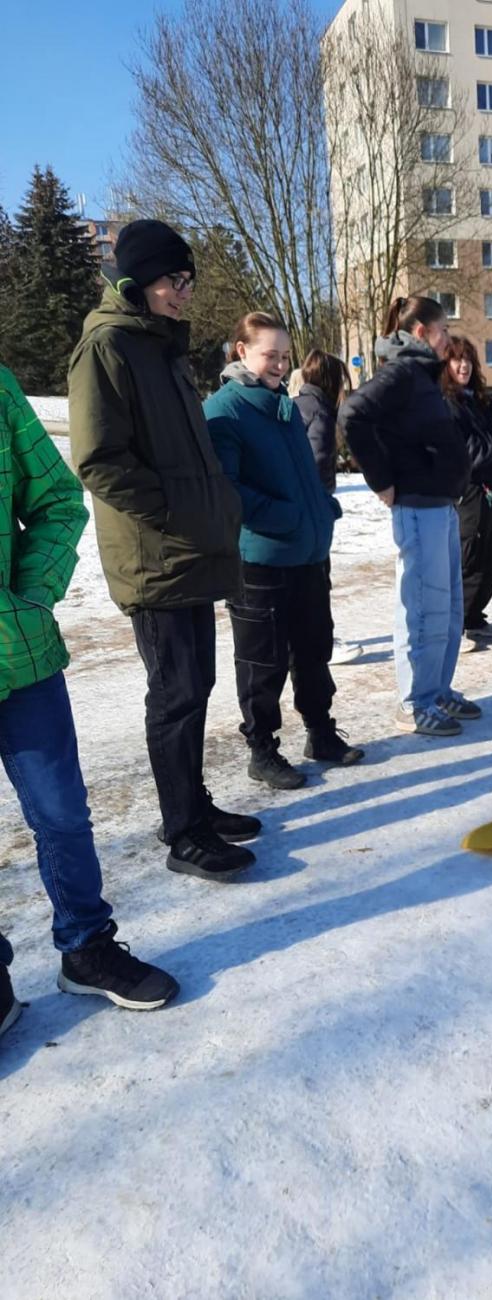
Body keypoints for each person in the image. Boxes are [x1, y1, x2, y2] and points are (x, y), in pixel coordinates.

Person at [68, 219, 259, 882]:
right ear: (137, 280)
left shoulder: (158, 347)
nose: (183, 292)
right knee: (175, 692)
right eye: (173, 280)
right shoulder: (108, 347)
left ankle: (194, 806)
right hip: (157, 556)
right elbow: (98, 459)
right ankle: (182, 832)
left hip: (188, 549)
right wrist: (174, 514)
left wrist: (213, 509)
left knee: (195, 685)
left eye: (187, 281)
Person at [0, 363, 178, 1039]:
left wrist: (29, 596)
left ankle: (86, 948)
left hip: (20, 653)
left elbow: (56, 499)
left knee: (63, 814)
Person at [204, 314, 362, 788]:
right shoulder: (223, 412)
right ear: (241, 351)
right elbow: (227, 493)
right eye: (269, 355)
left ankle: (320, 733)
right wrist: (291, 517)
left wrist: (320, 509)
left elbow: (304, 474)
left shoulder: (284, 406)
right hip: (260, 563)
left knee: (313, 650)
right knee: (263, 662)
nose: (279, 365)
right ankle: (263, 750)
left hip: (307, 555)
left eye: (285, 356)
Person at [338, 296, 476, 738]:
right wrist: (381, 479)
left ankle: (437, 690)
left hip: (441, 504)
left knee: (448, 607)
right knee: (422, 607)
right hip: (417, 507)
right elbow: (353, 414)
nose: (448, 339)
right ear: (421, 332)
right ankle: (414, 702)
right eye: (443, 330)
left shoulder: (422, 374)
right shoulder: (400, 373)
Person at [441, 336, 492, 651]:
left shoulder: (484, 403)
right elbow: (468, 453)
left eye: (468, 360)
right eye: (456, 359)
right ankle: (455, 623)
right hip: (470, 492)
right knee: (469, 556)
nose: (463, 366)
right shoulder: (447, 404)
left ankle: (473, 615)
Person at [292, 349, 362, 666]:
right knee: (318, 578)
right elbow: (317, 462)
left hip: (297, 509)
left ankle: (308, 639)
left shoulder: (298, 405)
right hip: (311, 511)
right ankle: (321, 643)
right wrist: (323, 503)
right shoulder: (320, 413)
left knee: (306, 578)